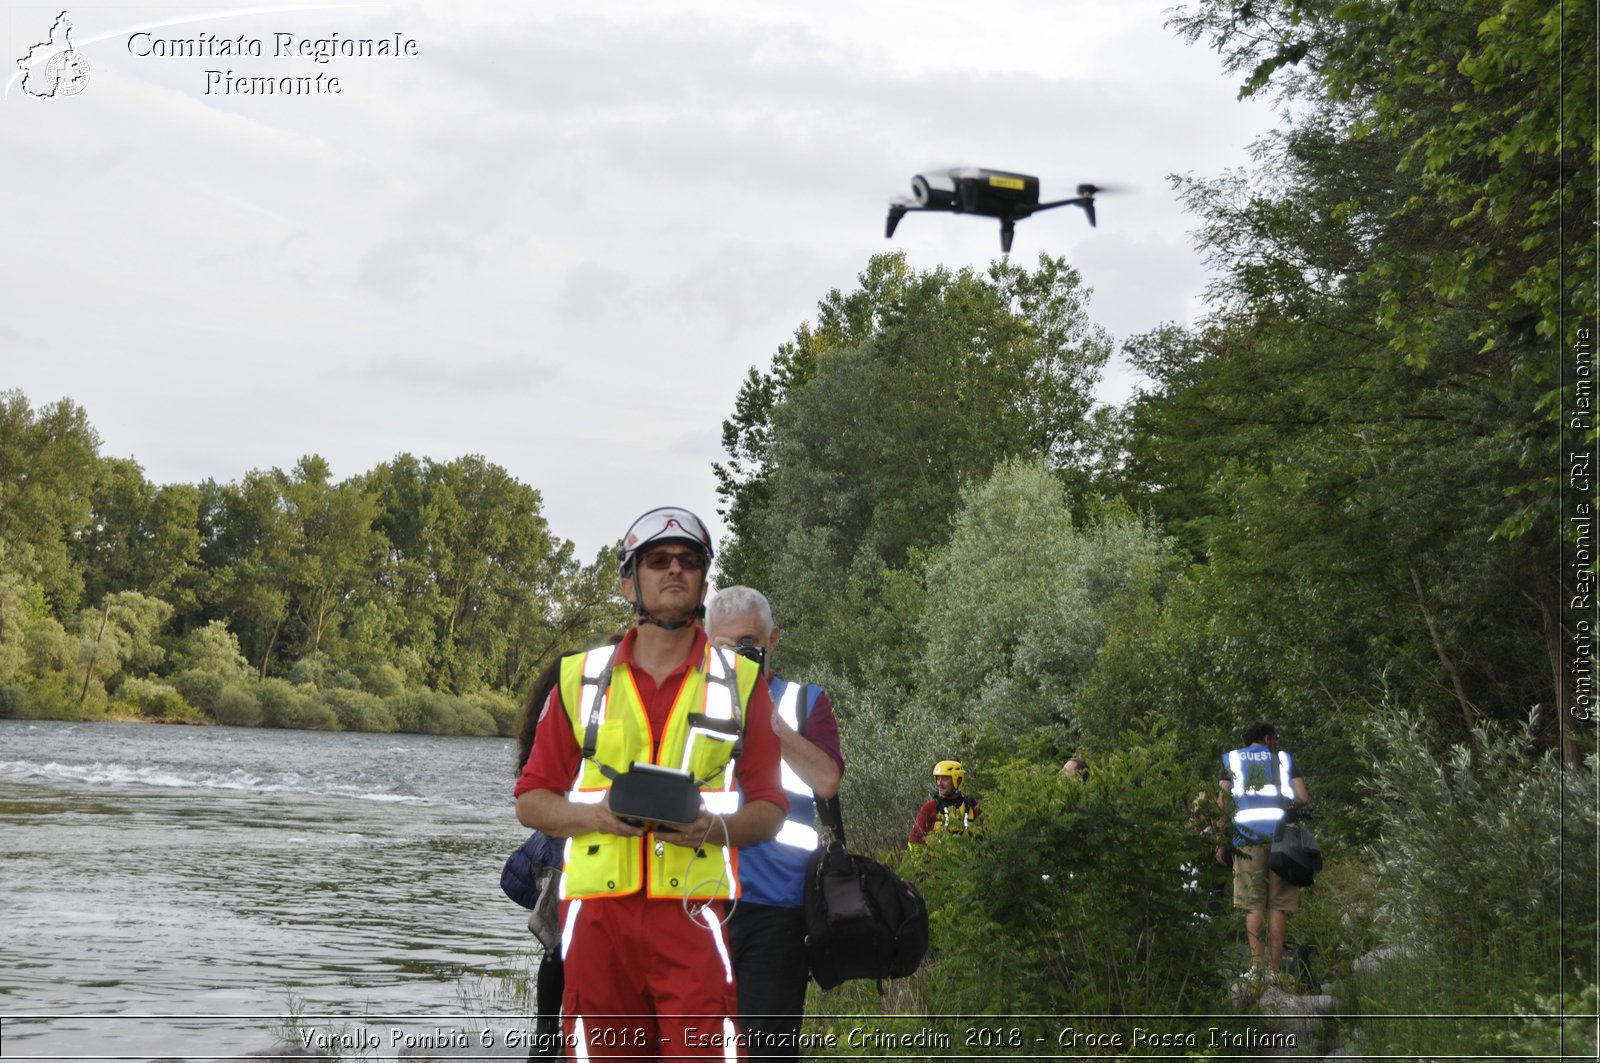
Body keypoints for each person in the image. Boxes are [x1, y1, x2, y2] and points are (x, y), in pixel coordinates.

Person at [515, 506, 788, 1061]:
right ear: (628, 581)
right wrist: (594, 816)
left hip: (693, 909)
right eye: (658, 560)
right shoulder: (579, 677)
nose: (674, 570)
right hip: (597, 914)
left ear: (703, 584)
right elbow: (531, 800)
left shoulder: (742, 682)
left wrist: (717, 828)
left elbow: (771, 807)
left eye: (688, 562)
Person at [705, 586, 844, 1063]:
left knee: (766, 1052)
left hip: (778, 910)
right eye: (722, 646)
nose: (736, 656)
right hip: (696, 901)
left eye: (747, 642)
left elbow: (826, 781)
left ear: (772, 640)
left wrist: (764, 717)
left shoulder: (805, 703)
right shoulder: (687, 704)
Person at [1216, 721, 1310, 976]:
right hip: (1282, 840)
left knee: (1253, 905)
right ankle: (1275, 970)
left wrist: (1220, 841)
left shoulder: (1232, 759)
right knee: (1277, 905)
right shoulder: (1282, 759)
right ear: (1268, 738)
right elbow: (1303, 796)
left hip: (1247, 840)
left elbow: (1222, 803)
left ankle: (1257, 970)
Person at [908, 760, 980, 844]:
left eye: (945, 779)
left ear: (958, 780)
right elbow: (914, 842)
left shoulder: (975, 807)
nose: (939, 783)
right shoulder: (930, 807)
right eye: (938, 778)